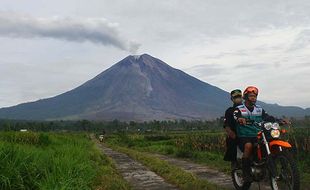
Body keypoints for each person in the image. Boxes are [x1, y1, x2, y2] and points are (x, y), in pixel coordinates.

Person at [233, 86, 282, 184]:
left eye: (255, 96)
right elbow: (235, 115)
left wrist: (279, 120)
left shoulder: (259, 109)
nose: (253, 98)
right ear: (246, 97)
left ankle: (268, 165)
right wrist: (240, 119)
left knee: (270, 143)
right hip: (244, 136)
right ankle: (246, 174)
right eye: (251, 96)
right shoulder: (239, 109)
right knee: (248, 146)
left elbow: (268, 117)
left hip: (258, 134)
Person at [223, 89, 243, 163]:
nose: (238, 99)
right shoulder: (229, 111)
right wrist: (233, 135)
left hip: (247, 135)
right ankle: (235, 169)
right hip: (236, 137)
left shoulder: (247, 109)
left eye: (239, 97)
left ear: (242, 98)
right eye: (235, 97)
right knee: (235, 157)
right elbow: (227, 125)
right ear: (232, 99)